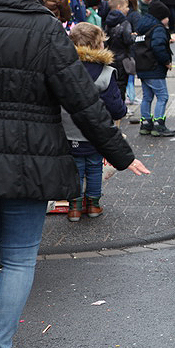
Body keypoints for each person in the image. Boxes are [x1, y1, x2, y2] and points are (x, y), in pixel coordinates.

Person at [0, 0, 149, 348]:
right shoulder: (45, 30)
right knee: (18, 259)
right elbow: (82, 100)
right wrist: (121, 153)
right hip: (31, 162)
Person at [62, 23, 128, 222]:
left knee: (74, 169)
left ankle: (74, 207)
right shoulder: (105, 73)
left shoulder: (62, 69)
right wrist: (121, 112)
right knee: (94, 167)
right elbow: (115, 107)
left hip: (67, 131)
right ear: (98, 45)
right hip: (95, 132)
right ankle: (93, 205)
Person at [133, 1, 175, 138]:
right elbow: (158, 47)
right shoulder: (158, 28)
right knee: (163, 96)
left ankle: (146, 124)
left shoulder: (142, 27)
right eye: (166, 17)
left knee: (147, 97)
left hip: (142, 67)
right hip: (154, 68)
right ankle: (159, 125)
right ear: (160, 16)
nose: (168, 19)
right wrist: (166, 61)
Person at [104, 0, 135, 98]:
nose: (128, 9)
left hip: (111, 58)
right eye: (126, 6)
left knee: (113, 83)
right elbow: (127, 40)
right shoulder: (124, 23)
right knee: (122, 84)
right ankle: (121, 104)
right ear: (119, 7)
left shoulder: (107, 22)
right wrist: (133, 37)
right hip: (123, 59)